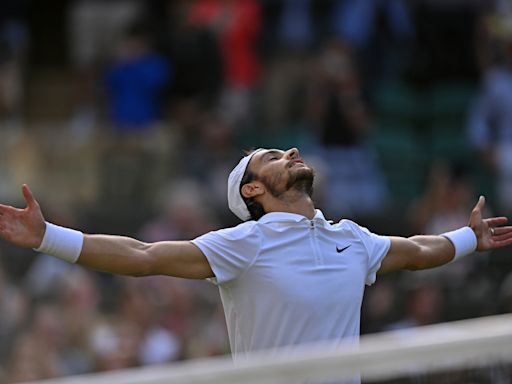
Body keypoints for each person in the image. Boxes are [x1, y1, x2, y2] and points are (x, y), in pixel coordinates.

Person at [0, 147, 512, 383]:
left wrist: (469, 237)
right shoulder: (245, 242)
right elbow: (143, 256)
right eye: (271, 156)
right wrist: (48, 237)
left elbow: (420, 251)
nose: (290, 151)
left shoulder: (353, 239)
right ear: (253, 190)